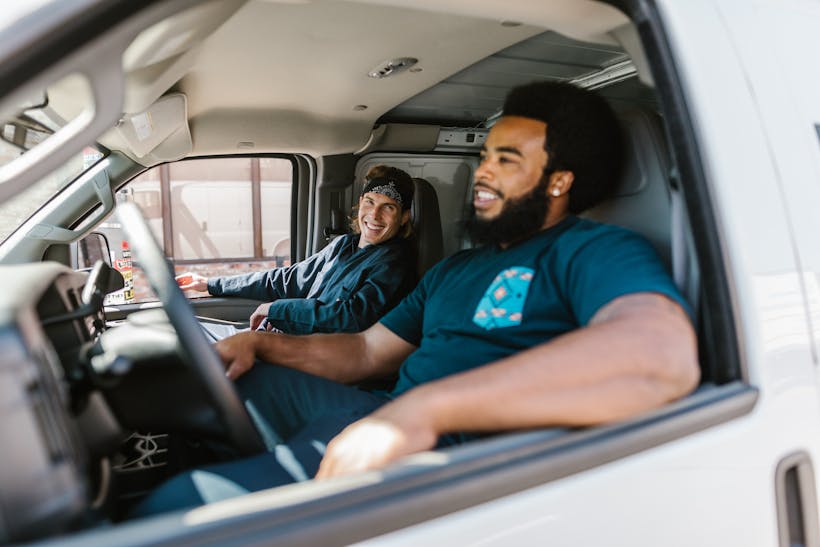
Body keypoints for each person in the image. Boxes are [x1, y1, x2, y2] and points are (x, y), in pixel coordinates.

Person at [133, 81, 699, 516]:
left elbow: (659, 356)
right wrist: (260, 343)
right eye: (486, 156)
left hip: (456, 454)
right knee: (217, 380)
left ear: (558, 182)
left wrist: (426, 410)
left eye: (508, 160)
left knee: (182, 505)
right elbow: (364, 352)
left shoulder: (594, 250)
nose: (483, 173)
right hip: (384, 413)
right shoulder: (455, 268)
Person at [176, 165, 417, 336]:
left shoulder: (394, 263)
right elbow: (285, 279)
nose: (374, 215)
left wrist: (278, 310)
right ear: (361, 202)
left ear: (405, 217)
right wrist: (210, 284)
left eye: (388, 207)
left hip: (317, 356)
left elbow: (352, 317)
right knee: (187, 335)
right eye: (370, 202)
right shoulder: (344, 245)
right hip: (286, 339)